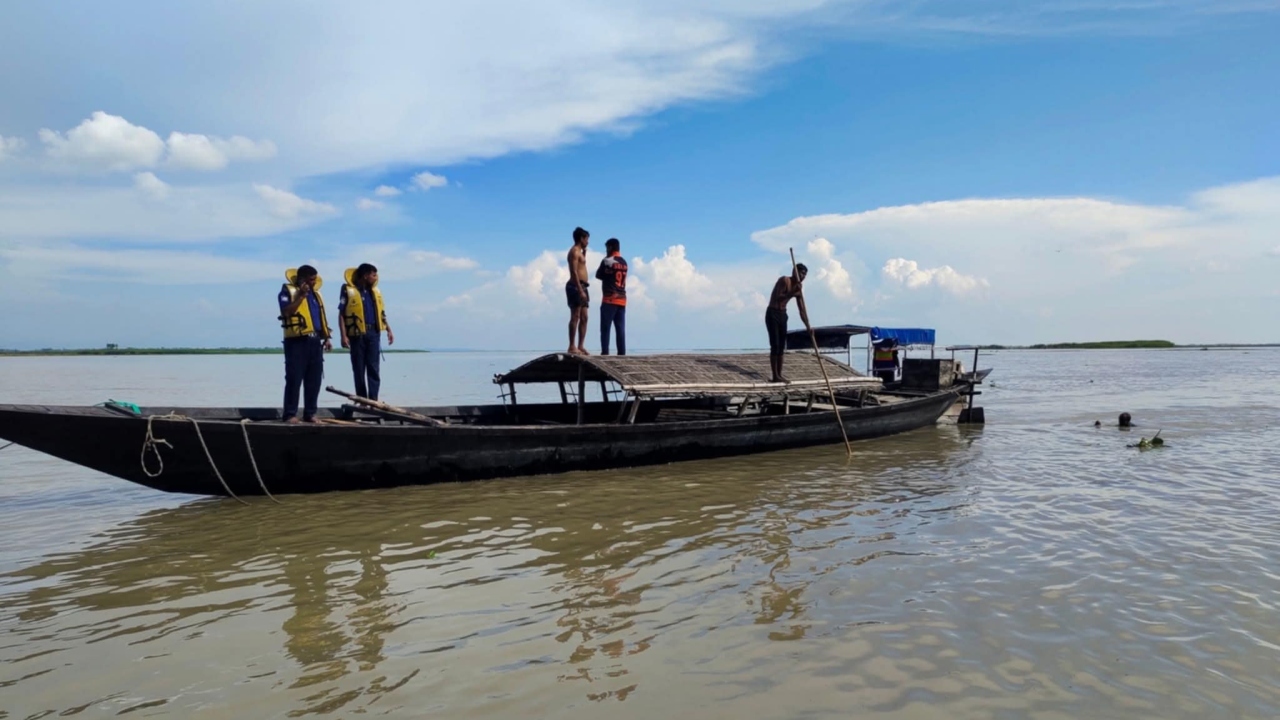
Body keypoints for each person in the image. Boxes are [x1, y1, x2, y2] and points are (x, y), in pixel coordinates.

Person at [277, 265, 332, 423]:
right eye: (311, 280)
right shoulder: (287, 292)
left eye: (315, 280)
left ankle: (310, 413)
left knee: (314, 379)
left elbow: (320, 317)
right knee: (294, 378)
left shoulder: (316, 295)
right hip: (296, 341)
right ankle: (290, 414)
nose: (314, 283)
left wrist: (326, 338)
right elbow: (286, 312)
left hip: (315, 341)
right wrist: (301, 295)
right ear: (302, 279)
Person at [339, 263, 395, 401]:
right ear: (365, 275)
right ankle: (362, 399)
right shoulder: (348, 290)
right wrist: (343, 335)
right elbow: (341, 314)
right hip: (357, 334)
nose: (376, 278)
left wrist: (388, 329)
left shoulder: (374, 292)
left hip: (374, 333)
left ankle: (373, 399)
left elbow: (381, 313)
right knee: (358, 367)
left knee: (374, 367)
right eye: (373, 275)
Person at [765, 263, 809, 383]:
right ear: (795, 271)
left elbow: (802, 310)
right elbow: (779, 297)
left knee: (781, 346)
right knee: (775, 345)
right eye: (801, 273)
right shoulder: (785, 280)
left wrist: (808, 327)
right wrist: (794, 293)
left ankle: (779, 374)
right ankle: (775, 376)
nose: (803, 276)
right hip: (772, 313)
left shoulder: (798, 288)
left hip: (783, 315)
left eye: (805, 274)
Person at [595, 237, 628, 355]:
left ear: (610, 247)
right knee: (620, 330)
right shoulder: (624, 262)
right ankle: (622, 353)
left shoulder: (607, 261)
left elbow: (598, 275)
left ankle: (605, 353)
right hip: (622, 299)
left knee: (605, 328)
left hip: (609, 299)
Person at [565, 226, 591, 355]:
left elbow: (581, 266)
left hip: (583, 286)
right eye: (587, 239)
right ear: (581, 238)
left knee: (584, 317)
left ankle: (581, 345)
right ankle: (572, 345)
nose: (588, 242)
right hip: (576, 286)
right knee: (575, 315)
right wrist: (580, 290)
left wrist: (584, 253)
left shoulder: (580, 252)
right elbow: (574, 271)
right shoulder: (574, 252)